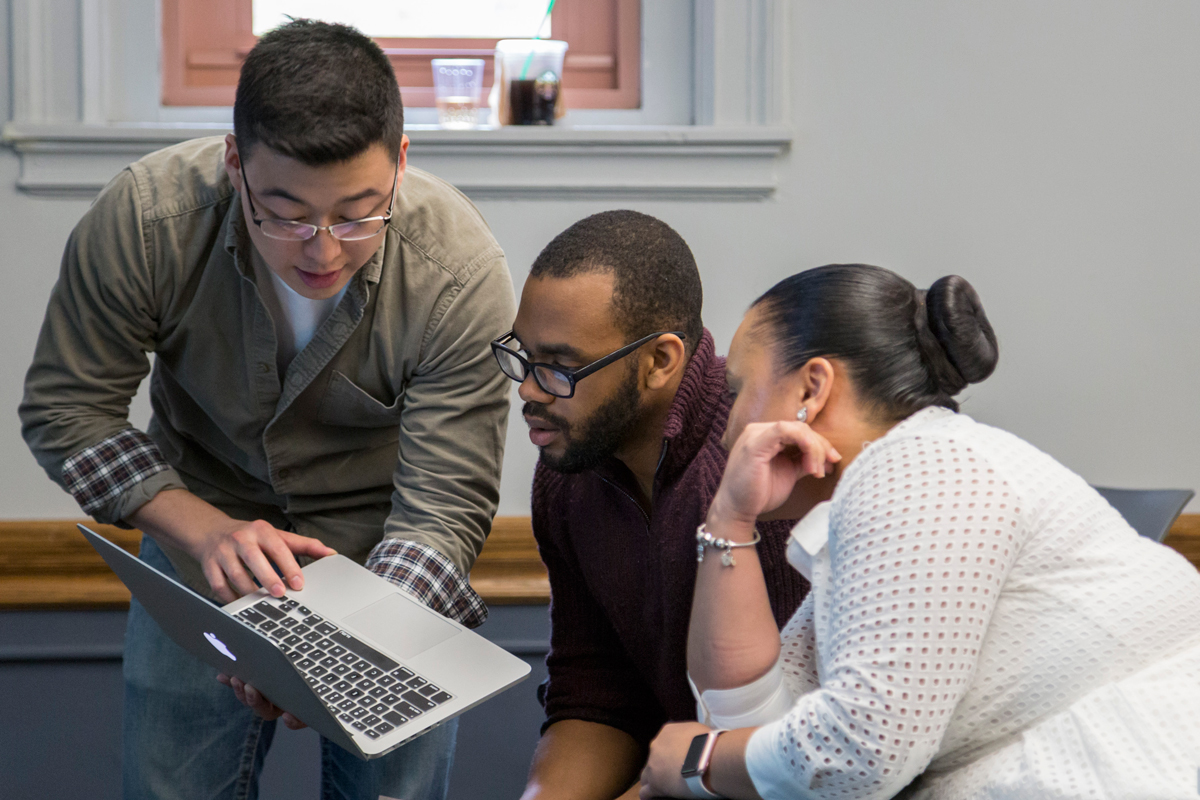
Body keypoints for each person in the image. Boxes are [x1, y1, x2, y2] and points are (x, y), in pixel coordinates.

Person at [19, 20, 515, 800]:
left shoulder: (459, 272)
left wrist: (332, 652)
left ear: (403, 163)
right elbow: (66, 408)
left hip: (387, 562)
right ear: (233, 163)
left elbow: (444, 505)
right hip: (196, 538)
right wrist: (203, 530)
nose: (321, 250)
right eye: (283, 214)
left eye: (359, 214)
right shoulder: (146, 221)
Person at [639, 263, 1200, 799]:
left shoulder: (923, 468)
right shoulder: (889, 489)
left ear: (811, 390)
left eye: (739, 391)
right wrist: (728, 519)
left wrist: (697, 764)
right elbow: (753, 729)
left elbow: (855, 756)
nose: (726, 430)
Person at [492, 211, 810, 800]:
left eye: (560, 367)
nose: (529, 390)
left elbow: (783, 743)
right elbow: (594, 688)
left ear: (660, 361)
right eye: (522, 355)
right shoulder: (569, 472)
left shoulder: (764, 476)